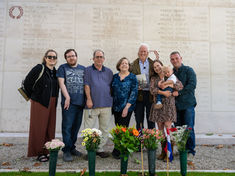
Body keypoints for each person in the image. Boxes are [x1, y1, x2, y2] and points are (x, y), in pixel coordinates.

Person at [24, 49, 59, 162]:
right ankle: (38, 152)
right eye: (49, 57)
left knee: (50, 127)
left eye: (54, 57)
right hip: (40, 102)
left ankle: (47, 150)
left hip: (52, 102)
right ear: (45, 58)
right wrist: (32, 97)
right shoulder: (39, 68)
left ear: (56, 59)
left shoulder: (55, 71)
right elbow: (27, 82)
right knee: (38, 128)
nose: (52, 59)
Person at [149, 60, 183, 161]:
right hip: (158, 106)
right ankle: (163, 152)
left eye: (158, 66)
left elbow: (180, 86)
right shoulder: (154, 78)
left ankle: (170, 152)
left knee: (168, 127)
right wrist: (162, 93)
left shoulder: (170, 75)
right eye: (154, 67)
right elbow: (152, 90)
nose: (157, 68)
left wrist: (172, 86)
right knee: (160, 128)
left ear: (162, 65)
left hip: (169, 106)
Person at [57, 49, 85, 162]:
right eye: (69, 56)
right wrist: (67, 97)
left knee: (76, 127)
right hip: (69, 104)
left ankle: (72, 147)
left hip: (80, 102)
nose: (71, 58)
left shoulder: (83, 69)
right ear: (66, 58)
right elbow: (61, 83)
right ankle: (66, 150)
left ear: (76, 56)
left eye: (73, 56)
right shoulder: (62, 68)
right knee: (67, 127)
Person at [84, 49, 113, 158]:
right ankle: (89, 150)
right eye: (97, 57)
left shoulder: (109, 71)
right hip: (92, 105)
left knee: (104, 129)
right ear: (93, 58)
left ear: (104, 59)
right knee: (88, 129)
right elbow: (86, 85)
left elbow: (110, 87)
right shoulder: (87, 70)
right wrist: (89, 99)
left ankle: (100, 148)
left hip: (106, 104)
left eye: (101, 57)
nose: (99, 59)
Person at [170, 51, 197, 161]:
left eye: (176, 58)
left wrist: (179, 93)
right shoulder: (170, 73)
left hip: (188, 104)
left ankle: (190, 151)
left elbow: (192, 85)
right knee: (178, 129)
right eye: (172, 59)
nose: (175, 60)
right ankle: (182, 150)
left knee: (188, 128)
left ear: (181, 58)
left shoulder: (188, 70)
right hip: (175, 106)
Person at [111, 57, 138, 159]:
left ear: (129, 66)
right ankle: (117, 148)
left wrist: (126, 107)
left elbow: (134, 93)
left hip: (127, 107)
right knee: (118, 127)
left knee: (123, 128)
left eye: (126, 63)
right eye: (122, 63)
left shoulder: (132, 77)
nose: (124, 65)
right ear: (119, 65)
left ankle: (122, 150)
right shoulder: (114, 77)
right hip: (116, 107)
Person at [131, 43, 159, 130]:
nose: (143, 53)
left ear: (148, 53)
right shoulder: (132, 64)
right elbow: (130, 78)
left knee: (151, 119)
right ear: (138, 53)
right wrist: (135, 86)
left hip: (151, 94)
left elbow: (159, 74)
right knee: (139, 118)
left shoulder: (153, 63)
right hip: (139, 95)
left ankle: (151, 141)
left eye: (145, 51)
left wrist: (158, 60)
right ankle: (140, 140)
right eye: (141, 51)